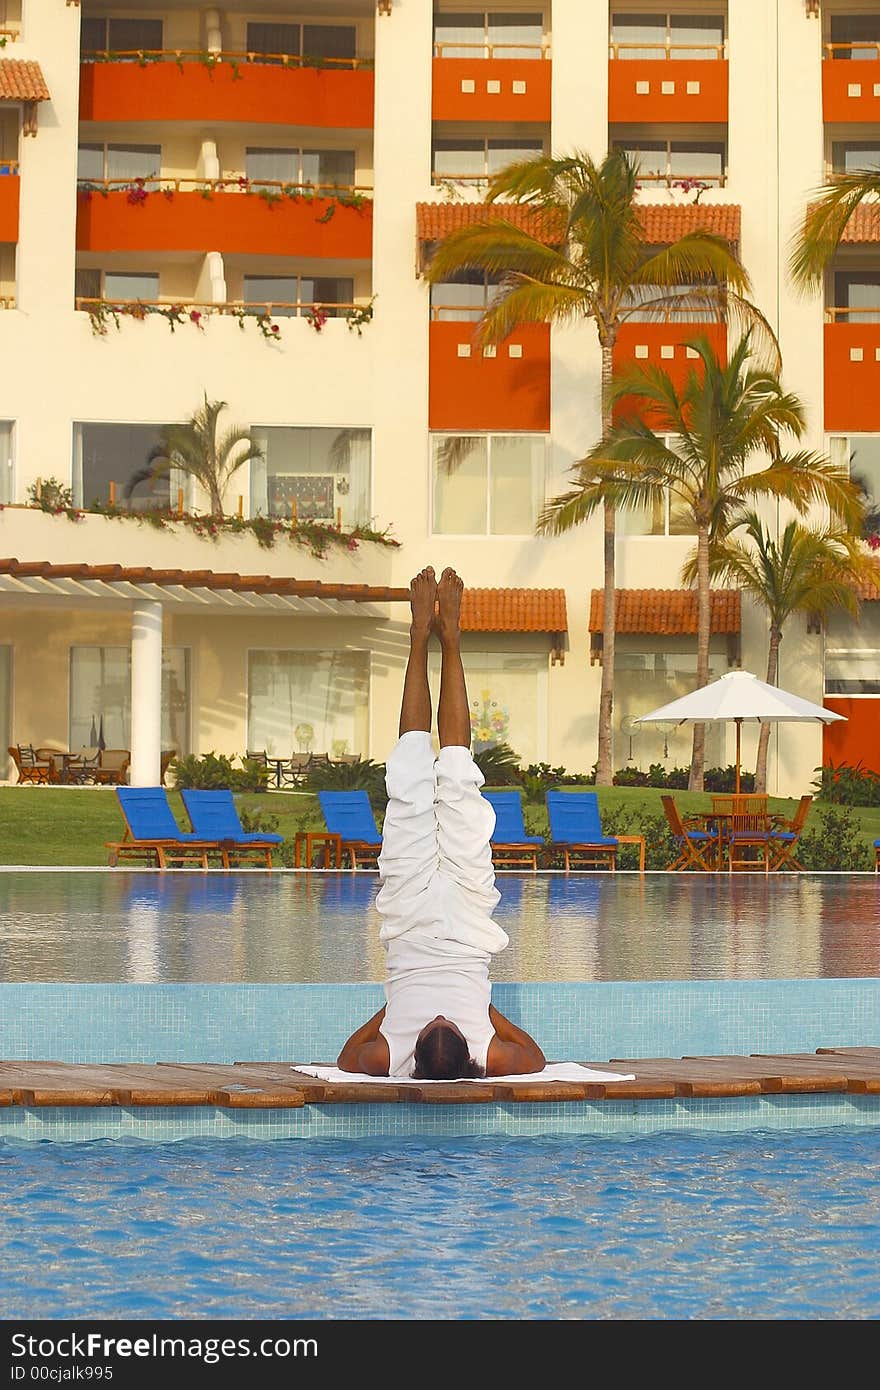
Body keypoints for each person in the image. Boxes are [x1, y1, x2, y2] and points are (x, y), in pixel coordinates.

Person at [337, 565, 546, 1080]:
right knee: (435, 776)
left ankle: (425, 637)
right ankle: (442, 637)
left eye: (432, 1023)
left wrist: (485, 1016)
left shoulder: (474, 1049)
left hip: (436, 919)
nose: (438, 1016)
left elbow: (534, 1057)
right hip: (441, 919)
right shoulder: (400, 1054)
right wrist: (393, 1012)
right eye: (444, 1023)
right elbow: (348, 1056)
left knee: (432, 775)